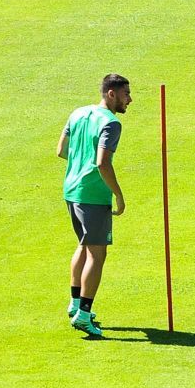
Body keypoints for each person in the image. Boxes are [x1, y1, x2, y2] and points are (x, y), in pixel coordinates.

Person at [59, 73, 132, 339]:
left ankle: (75, 302)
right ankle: (84, 313)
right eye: (126, 94)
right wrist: (119, 195)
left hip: (71, 190)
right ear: (111, 94)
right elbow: (103, 163)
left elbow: (61, 150)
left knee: (83, 245)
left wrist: (79, 163)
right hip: (92, 194)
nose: (130, 100)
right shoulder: (111, 124)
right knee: (97, 255)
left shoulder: (78, 113)